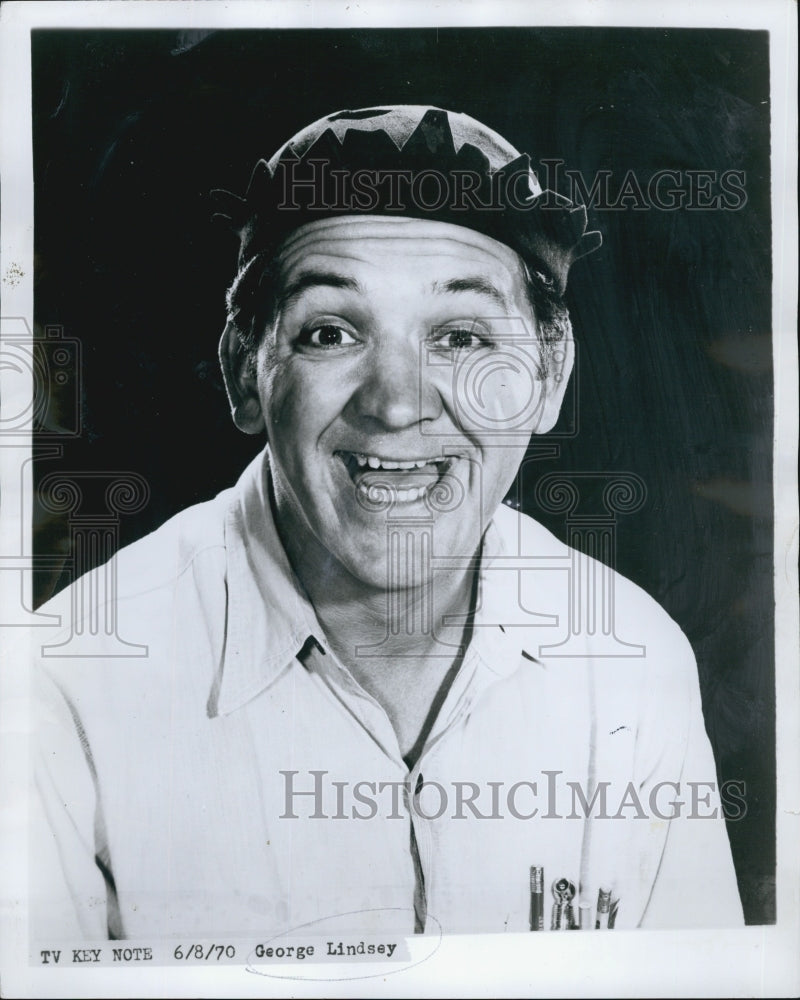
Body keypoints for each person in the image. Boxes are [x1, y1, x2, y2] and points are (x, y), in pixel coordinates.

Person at [32, 106, 743, 940]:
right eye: (331, 332)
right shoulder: (66, 686)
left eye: (463, 337)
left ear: (550, 377)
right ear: (244, 374)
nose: (398, 404)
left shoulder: (632, 660)